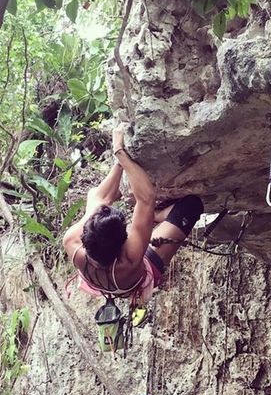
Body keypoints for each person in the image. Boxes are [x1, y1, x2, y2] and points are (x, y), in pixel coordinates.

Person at [63, 125, 203, 311]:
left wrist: (119, 163)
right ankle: (153, 218)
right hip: (135, 277)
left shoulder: (72, 242)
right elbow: (146, 198)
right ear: (125, 242)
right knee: (191, 206)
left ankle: (149, 220)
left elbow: (100, 198)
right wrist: (120, 151)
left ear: (85, 238)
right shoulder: (130, 260)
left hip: (107, 279)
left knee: (92, 196)